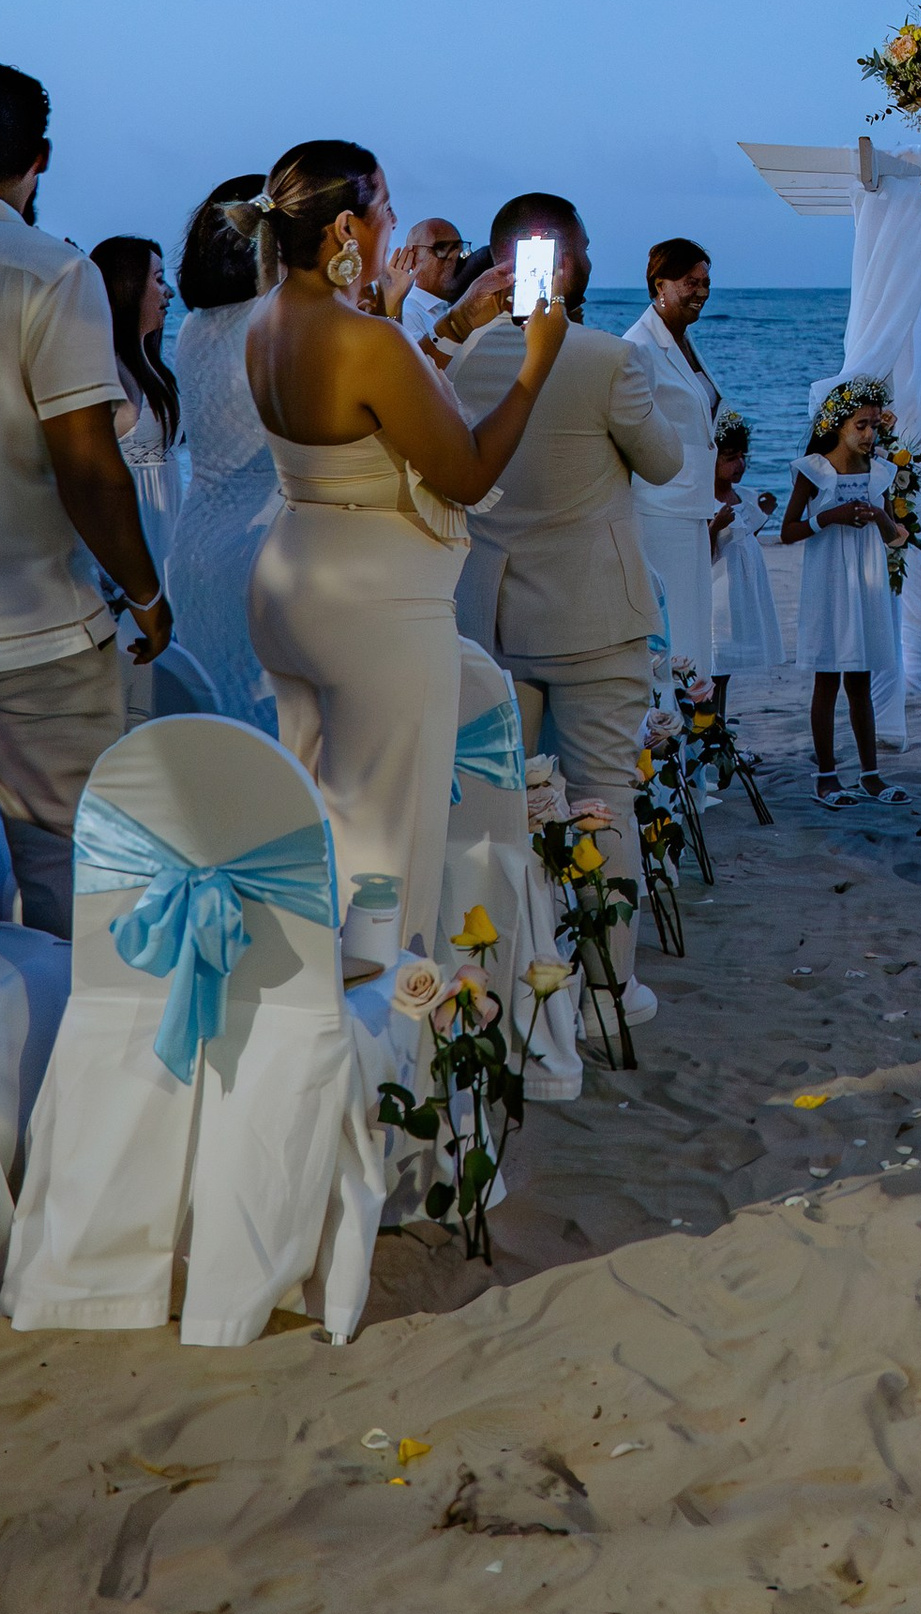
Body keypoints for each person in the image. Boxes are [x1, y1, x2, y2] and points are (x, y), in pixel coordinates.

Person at [243, 139, 566, 967]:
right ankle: (387, 1047)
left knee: (315, 825)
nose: (392, 223)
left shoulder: (266, 322)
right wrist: (535, 367)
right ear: (347, 225)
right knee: (390, 845)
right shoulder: (365, 340)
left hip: (292, 586)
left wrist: (454, 327)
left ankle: (308, 1003)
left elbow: (366, 409)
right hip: (374, 610)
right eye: (387, 209)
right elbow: (463, 472)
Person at [0, 60, 167, 931]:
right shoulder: (52, 274)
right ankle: (74, 1061)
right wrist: (144, 592)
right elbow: (89, 467)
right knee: (71, 871)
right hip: (34, 626)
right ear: (41, 159)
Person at [447, 192, 681, 1015]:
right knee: (602, 796)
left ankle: (515, 978)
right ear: (571, 261)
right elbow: (663, 462)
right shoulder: (607, 358)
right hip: (593, 617)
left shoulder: (465, 354)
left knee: (507, 804)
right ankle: (608, 988)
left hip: (496, 616)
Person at [163, 176, 285, 726]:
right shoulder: (274, 328)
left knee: (218, 725)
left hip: (195, 545)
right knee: (274, 734)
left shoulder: (192, 328)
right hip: (262, 548)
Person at [784, 380, 905, 803]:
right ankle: (826, 775)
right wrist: (829, 517)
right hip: (828, 581)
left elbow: (894, 535)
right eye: (861, 426)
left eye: (875, 425)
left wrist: (878, 517)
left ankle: (870, 774)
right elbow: (787, 531)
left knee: (861, 679)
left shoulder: (882, 473)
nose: (871, 435)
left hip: (866, 584)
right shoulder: (812, 470)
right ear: (837, 425)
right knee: (827, 678)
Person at [623, 239, 720, 669]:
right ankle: (675, 728)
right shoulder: (640, 348)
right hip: (660, 510)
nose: (700, 291)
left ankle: (698, 726)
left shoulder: (682, 341)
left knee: (698, 629)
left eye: (705, 283)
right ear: (660, 284)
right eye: (690, 282)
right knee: (676, 632)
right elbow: (628, 432)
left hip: (693, 508)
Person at [92, 233, 183, 595]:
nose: (169, 293)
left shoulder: (151, 366)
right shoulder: (106, 373)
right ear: (127, 288)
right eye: (158, 280)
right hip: (137, 542)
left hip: (167, 535)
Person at [708, 409, 785, 686]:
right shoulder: (704, 499)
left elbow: (743, 538)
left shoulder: (744, 496)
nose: (740, 464)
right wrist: (715, 525)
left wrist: (762, 514)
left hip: (742, 593)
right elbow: (698, 555)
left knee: (725, 673)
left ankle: (718, 724)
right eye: (730, 458)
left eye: (743, 457)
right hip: (718, 592)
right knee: (713, 666)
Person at [381, 215, 465, 346]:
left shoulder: (457, 308)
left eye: (459, 249)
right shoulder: (407, 314)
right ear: (413, 257)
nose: (455, 256)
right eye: (442, 248)